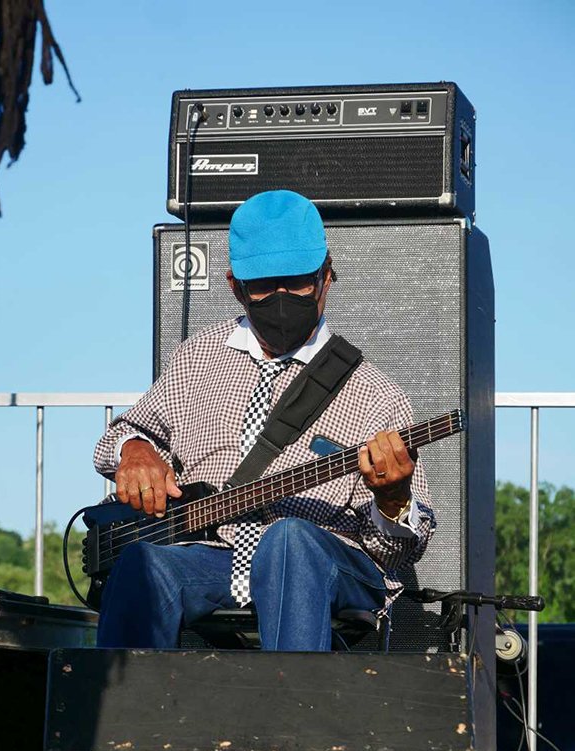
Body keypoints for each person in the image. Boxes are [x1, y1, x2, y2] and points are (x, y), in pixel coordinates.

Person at [94, 190, 435, 650]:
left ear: (326, 277)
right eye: (263, 285)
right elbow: (121, 435)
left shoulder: (376, 393)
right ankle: (124, 699)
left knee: (289, 541)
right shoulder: (198, 357)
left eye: (297, 282)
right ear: (236, 287)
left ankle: (290, 697)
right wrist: (135, 451)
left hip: (327, 560)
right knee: (142, 565)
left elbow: (399, 551)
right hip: (213, 554)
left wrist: (393, 499)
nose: (281, 297)